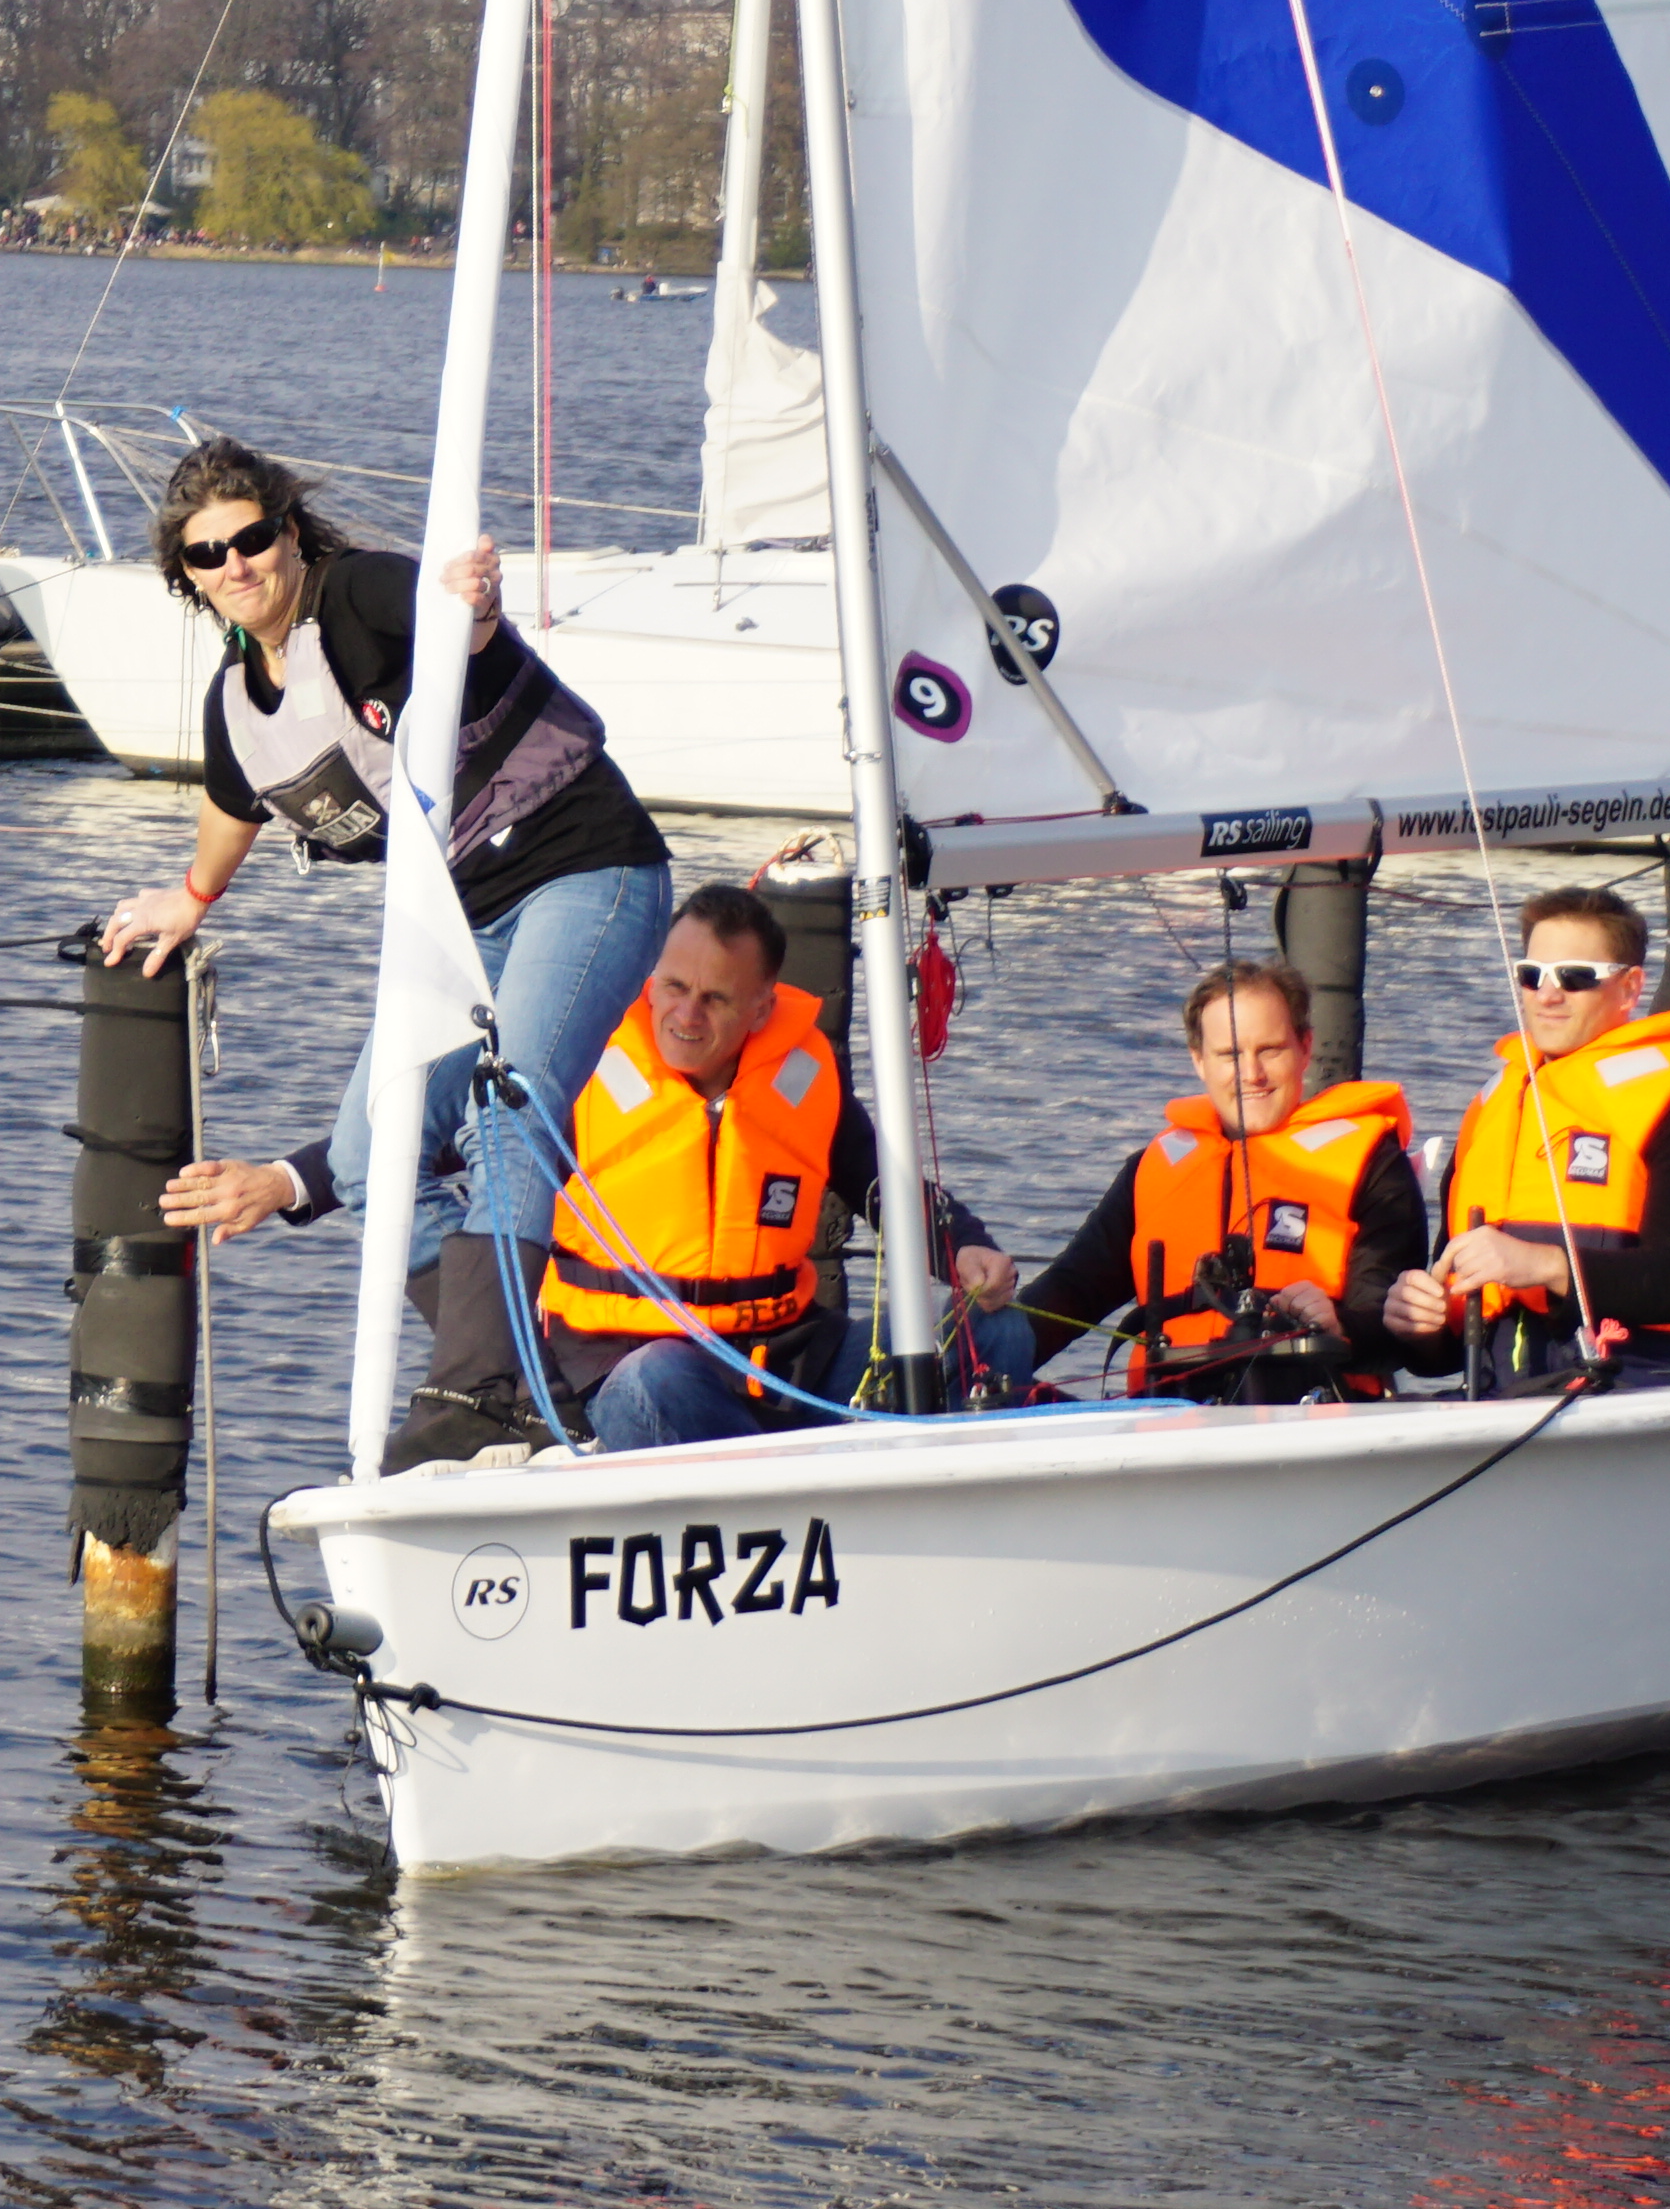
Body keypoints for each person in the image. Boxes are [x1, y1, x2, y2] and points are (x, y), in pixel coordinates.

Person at [111, 437, 674, 1468]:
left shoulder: (359, 595)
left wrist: (478, 603)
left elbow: (452, 617)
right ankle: (528, 1386)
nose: (236, 564)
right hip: (460, 922)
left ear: (289, 531)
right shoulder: (237, 698)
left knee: (514, 1106)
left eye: (252, 538)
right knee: (372, 1159)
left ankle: (480, 1387)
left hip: (583, 872)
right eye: (208, 555)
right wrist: (192, 897)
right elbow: (234, 802)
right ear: (185, 577)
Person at [534, 886, 1001, 1453]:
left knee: (989, 1328)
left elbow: (880, 1183)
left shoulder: (802, 1075)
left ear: (762, 1008)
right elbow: (463, 1174)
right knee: (654, 1381)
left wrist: (964, 1246)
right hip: (626, 1358)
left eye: (715, 999)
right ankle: (802, 1485)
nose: (686, 1014)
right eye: (674, 987)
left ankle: (941, 1514)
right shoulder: (578, 1062)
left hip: (787, 1357)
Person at [993, 959, 1430, 1405]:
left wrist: (1340, 1323)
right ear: (1199, 1061)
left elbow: (1392, 1318)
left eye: (1270, 1050)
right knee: (996, 1383)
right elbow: (1072, 1292)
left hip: (1308, 1410)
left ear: (1305, 1047)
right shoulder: (1154, 1168)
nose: (1252, 1074)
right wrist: (987, 1346)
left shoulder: (1373, 1165)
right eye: (1230, 1055)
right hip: (1167, 1412)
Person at [1383, 887, 1670, 1396]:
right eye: (1531, 975)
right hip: (1497, 1389)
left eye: (1576, 977)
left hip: (1637, 1380)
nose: (1548, 994)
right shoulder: (1497, 1103)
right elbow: (1445, 1354)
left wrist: (1542, 1264)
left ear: (1629, 989)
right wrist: (1421, 1324)